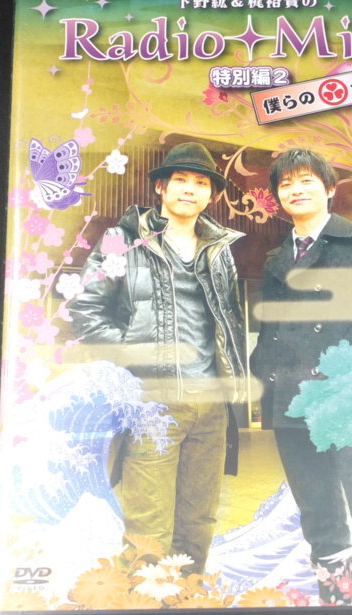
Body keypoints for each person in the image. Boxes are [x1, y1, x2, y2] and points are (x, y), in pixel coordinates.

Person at [68, 142, 245, 575]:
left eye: (200, 183)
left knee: (198, 520)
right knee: (149, 525)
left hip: (211, 406)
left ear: (210, 195)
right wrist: (133, 357)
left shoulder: (220, 249)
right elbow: (84, 308)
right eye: (180, 180)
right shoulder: (122, 241)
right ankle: (145, 604)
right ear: (161, 188)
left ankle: (188, 598)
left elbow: (230, 321)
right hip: (153, 404)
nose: (189, 189)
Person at [250, 147, 352, 590]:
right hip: (291, 400)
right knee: (318, 516)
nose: (295, 189)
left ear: (329, 189)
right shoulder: (276, 258)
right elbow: (270, 329)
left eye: (306, 180)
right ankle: (336, 596)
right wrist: (263, 374)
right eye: (286, 183)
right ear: (278, 196)